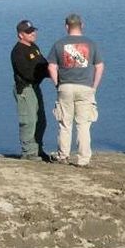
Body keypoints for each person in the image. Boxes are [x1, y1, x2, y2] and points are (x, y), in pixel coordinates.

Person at [47, 13, 104, 167]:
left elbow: (51, 66)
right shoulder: (91, 44)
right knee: (83, 125)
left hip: (65, 86)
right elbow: (99, 66)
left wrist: (57, 84)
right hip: (85, 87)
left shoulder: (59, 44)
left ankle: (63, 155)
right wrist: (94, 86)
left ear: (66, 27)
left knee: (65, 124)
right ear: (82, 25)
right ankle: (83, 159)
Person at [10, 19, 49, 161]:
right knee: (29, 120)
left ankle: (38, 149)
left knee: (41, 120)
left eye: (33, 30)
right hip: (25, 89)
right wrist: (42, 73)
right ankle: (28, 152)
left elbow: (44, 65)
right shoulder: (17, 51)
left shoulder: (34, 47)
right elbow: (27, 73)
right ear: (21, 35)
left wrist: (53, 73)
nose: (33, 33)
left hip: (35, 87)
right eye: (29, 32)